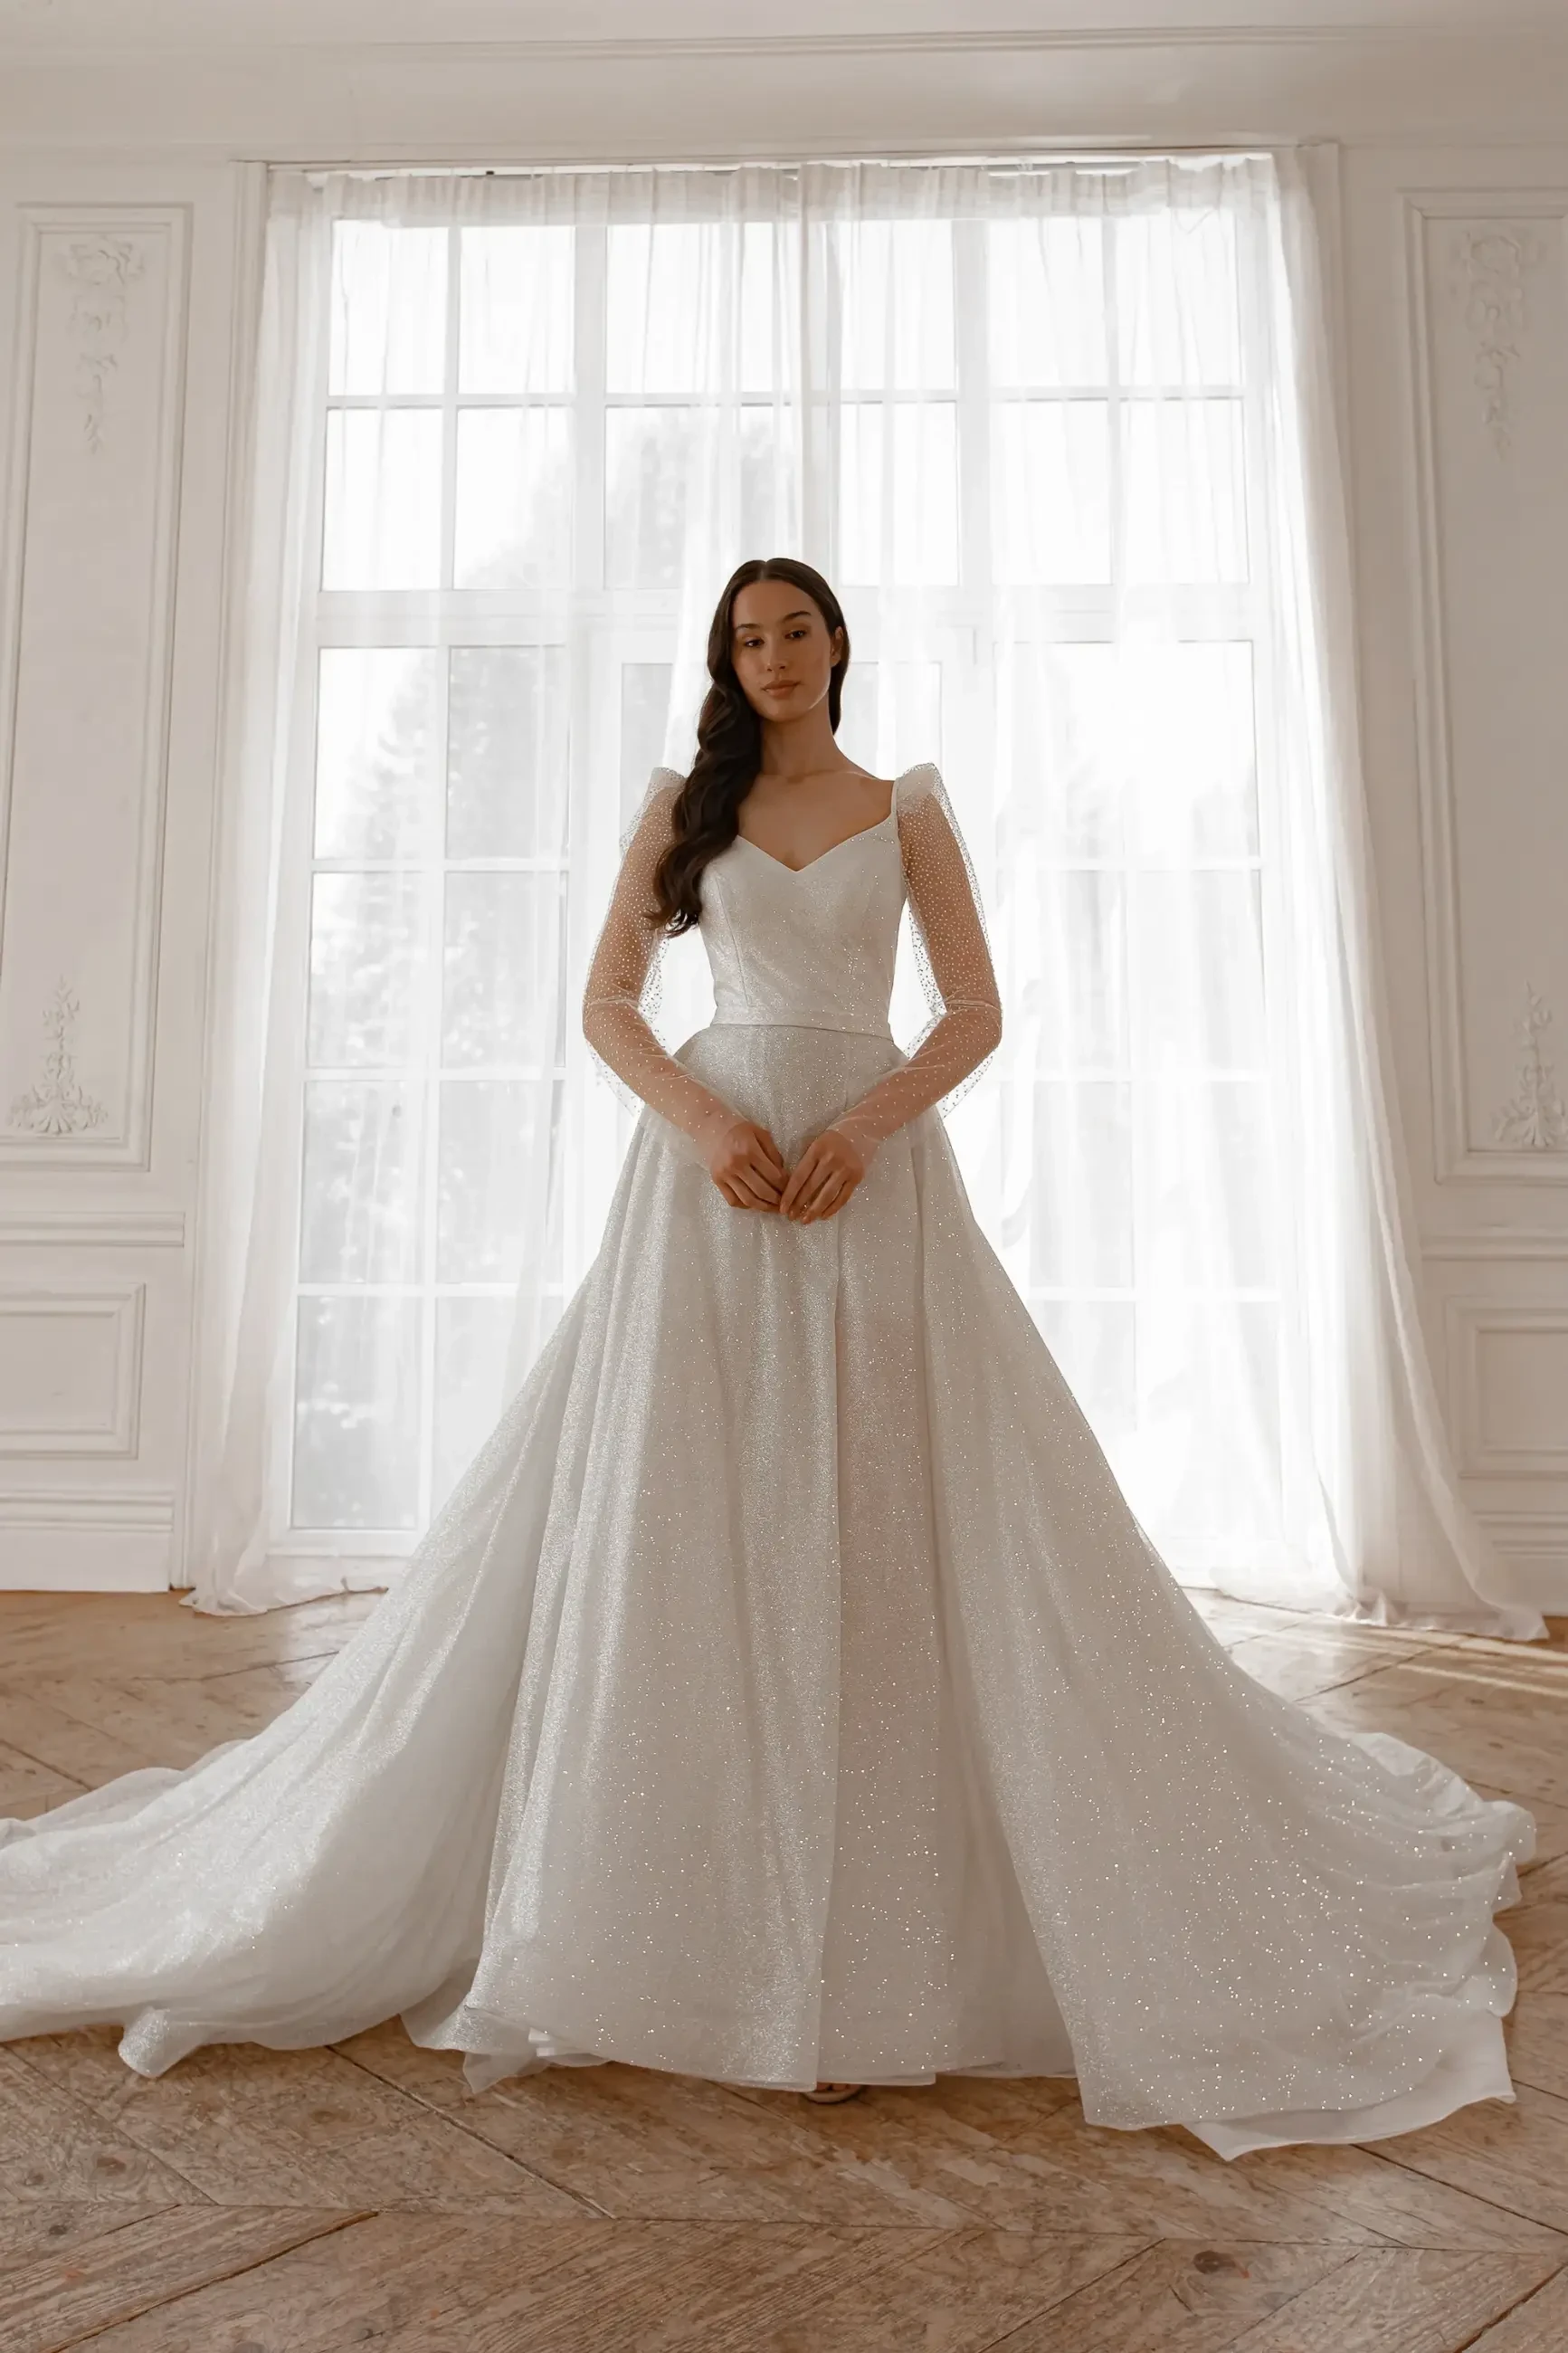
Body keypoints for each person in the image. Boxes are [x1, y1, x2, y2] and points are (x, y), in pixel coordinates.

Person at [0, 555, 1534, 2158]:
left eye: (797, 629)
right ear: (726, 662)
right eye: (749, 638)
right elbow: (607, 1002)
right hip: (715, 1189)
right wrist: (705, 1121)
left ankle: (858, 1970)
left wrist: (865, 1129)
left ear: (839, 644)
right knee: (688, 1522)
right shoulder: (688, 807)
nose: (776, 655)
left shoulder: (905, 808)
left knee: (883, 1526)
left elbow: (973, 1011)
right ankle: (670, 1937)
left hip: (871, 1191)